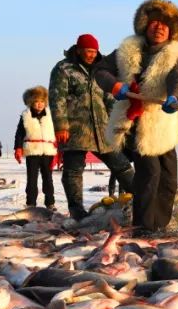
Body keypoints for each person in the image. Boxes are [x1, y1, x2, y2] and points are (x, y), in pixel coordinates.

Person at [94, 0, 178, 232]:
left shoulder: (175, 55)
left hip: (162, 124)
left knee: (168, 179)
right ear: (144, 25)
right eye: (154, 23)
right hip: (135, 122)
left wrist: (176, 97)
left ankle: (159, 224)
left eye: (164, 25)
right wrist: (115, 86)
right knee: (150, 175)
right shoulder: (127, 50)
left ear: (172, 31)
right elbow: (101, 70)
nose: (158, 28)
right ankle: (144, 227)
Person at [50, 33, 136, 220]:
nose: (90, 54)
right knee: (73, 170)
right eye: (87, 51)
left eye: (93, 51)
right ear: (79, 50)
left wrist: (119, 123)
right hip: (76, 129)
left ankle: (141, 197)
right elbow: (57, 99)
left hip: (102, 127)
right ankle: (77, 210)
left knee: (121, 165)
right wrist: (61, 126)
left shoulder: (101, 70)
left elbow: (109, 99)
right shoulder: (63, 68)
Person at [14, 85, 57, 210]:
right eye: (36, 102)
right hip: (32, 150)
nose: (39, 104)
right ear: (31, 103)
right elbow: (19, 134)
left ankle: (50, 203)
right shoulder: (25, 116)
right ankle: (31, 203)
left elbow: (57, 131)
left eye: (42, 101)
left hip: (48, 151)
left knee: (48, 178)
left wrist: (60, 148)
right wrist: (18, 148)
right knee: (32, 178)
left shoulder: (51, 115)